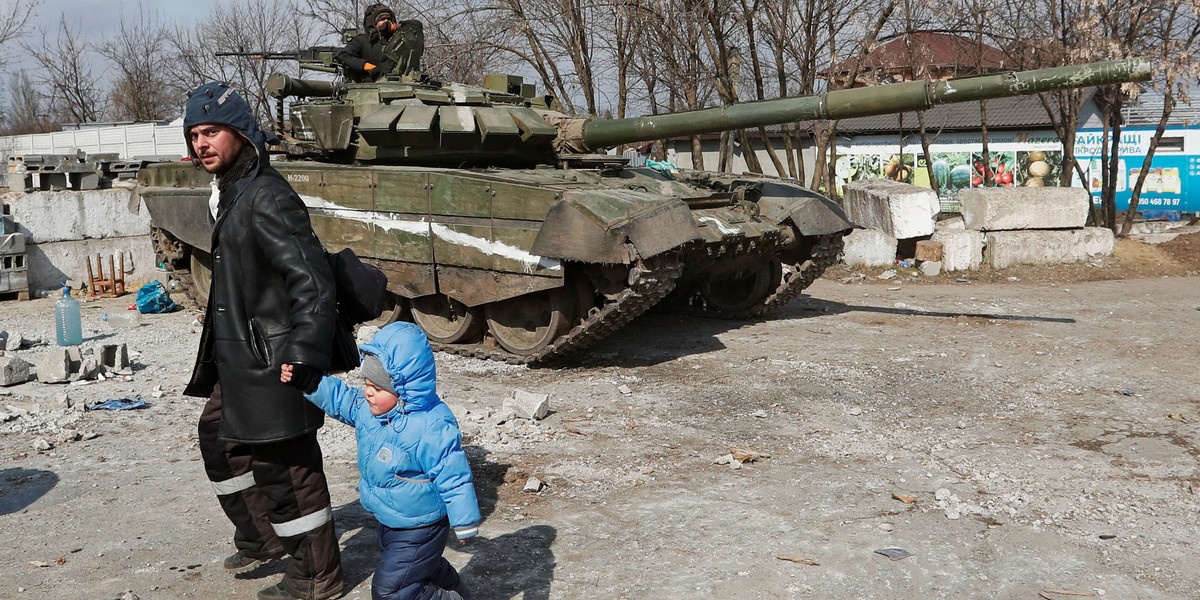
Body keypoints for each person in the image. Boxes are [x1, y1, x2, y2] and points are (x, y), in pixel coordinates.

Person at [181, 81, 345, 600]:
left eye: (212, 132)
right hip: (241, 357)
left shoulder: (266, 195)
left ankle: (316, 578)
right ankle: (264, 537)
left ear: (242, 134)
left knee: (287, 471)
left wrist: (302, 351)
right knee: (220, 440)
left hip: (275, 359)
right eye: (194, 134)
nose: (201, 143)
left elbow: (312, 280)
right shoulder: (233, 189)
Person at [282, 321, 481, 600]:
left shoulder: (430, 424)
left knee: (391, 590)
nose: (368, 391)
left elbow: (453, 473)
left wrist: (464, 520)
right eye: (366, 383)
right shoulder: (367, 410)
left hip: (420, 526)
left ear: (403, 387)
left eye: (378, 386)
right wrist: (309, 380)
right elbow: (340, 399)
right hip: (389, 521)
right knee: (425, 569)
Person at [338, 3, 399, 82]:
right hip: (367, 87)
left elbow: (416, 25)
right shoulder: (362, 41)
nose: (386, 22)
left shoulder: (396, 42)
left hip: (394, 87)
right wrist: (364, 65)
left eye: (388, 20)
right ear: (375, 23)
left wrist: (397, 27)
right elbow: (343, 55)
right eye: (382, 20)